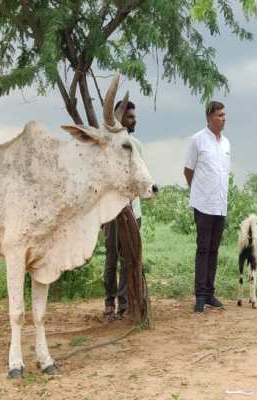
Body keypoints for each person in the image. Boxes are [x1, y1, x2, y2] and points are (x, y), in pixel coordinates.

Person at [184, 101, 231, 314]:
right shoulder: (197, 140)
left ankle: (210, 293)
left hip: (220, 205)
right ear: (210, 116)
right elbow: (188, 171)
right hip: (203, 205)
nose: (224, 118)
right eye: (220, 115)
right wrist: (200, 193)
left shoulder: (226, 144)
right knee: (203, 249)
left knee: (214, 250)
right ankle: (200, 296)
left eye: (224, 115)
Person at [103, 100, 142, 321]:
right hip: (111, 213)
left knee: (129, 259)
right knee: (111, 258)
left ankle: (125, 304)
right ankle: (109, 302)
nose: (134, 120)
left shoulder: (136, 145)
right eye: (129, 117)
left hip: (133, 213)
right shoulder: (109, 147)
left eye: (134, 116)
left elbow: (141, 179)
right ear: (119, 119)